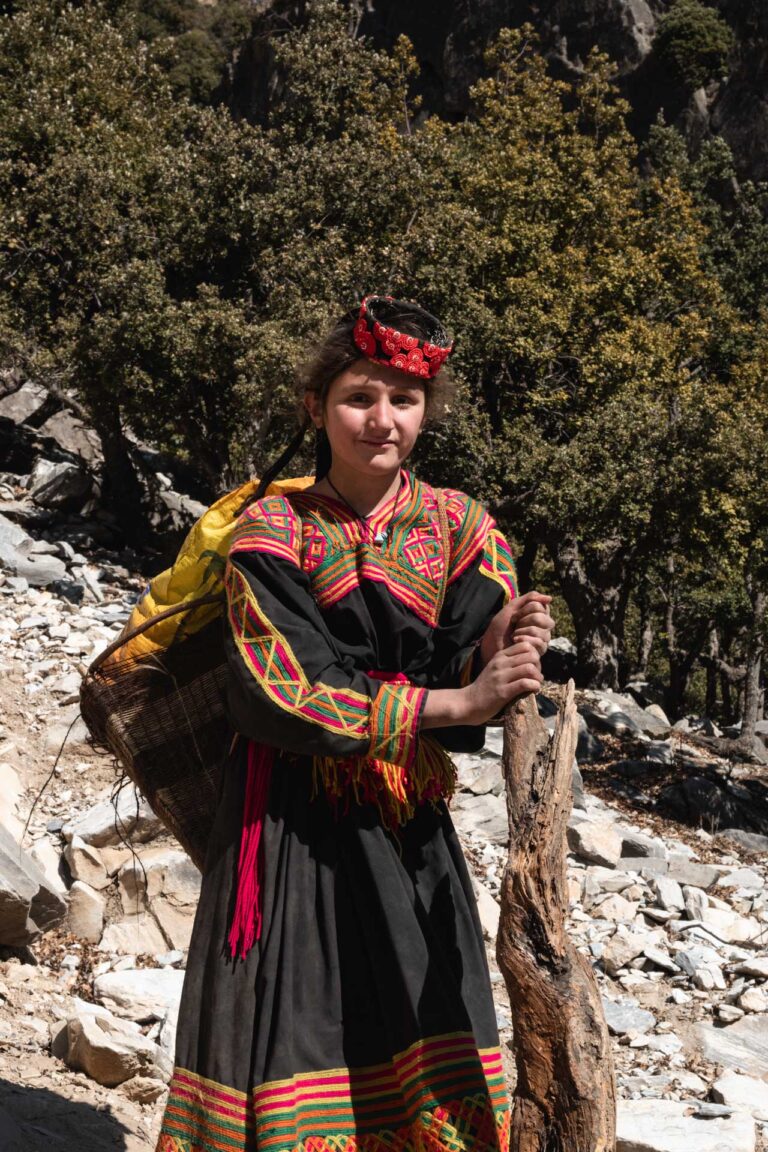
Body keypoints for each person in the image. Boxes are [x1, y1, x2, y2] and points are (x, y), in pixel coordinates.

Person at [155, 295, 555, 1152]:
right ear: (316, 407)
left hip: (406, 823)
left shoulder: (463, 527)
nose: (382, 422)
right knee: (291, 1033)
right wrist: (459, 701)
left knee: (421, 1034)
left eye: (402, 401)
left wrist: (502, 643)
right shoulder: (269, 531)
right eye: (358, 398)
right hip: (283, 828)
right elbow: (282, 688)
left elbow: (465, 659)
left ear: (426, 411)